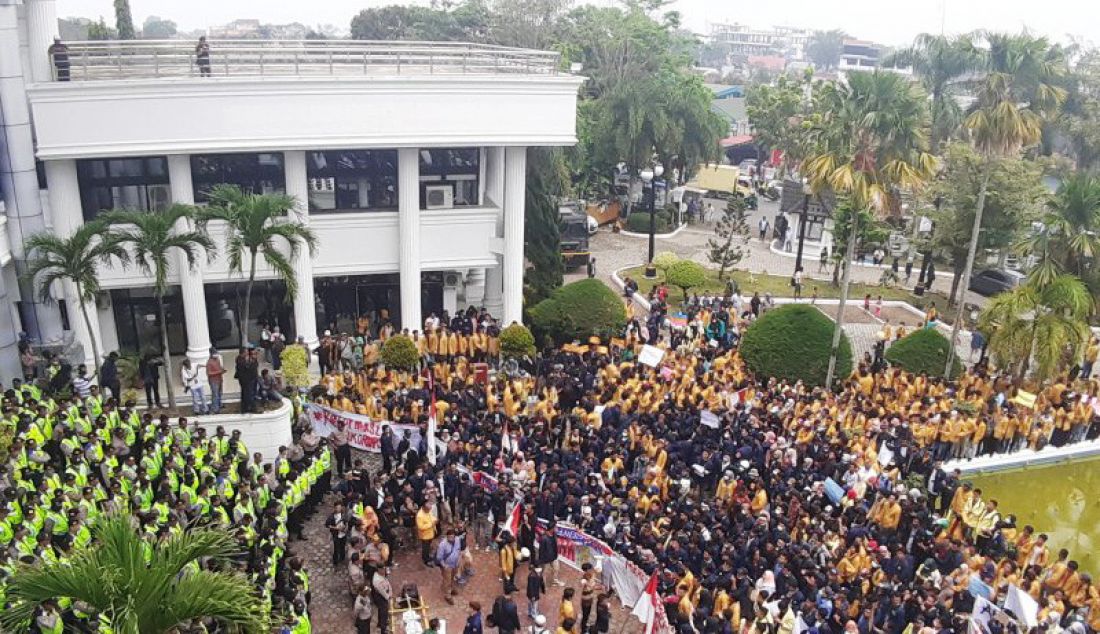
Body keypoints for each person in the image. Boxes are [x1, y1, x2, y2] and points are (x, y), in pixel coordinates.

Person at [436, 528, 462, 604]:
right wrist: (444, 566)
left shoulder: (457, 540)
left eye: (452, 537)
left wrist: (458, 560)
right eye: (449, 537)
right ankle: (448, 595)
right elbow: (439, 557)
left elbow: (459, 550)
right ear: (447, 536)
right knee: (447, 580)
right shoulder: (442, 545)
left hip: (455, 564)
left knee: (453, 578)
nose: (451, 538)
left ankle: (452, 588)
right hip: (447, 566)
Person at [235, 347, 259, 414]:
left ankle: (245, 408)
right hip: (246, 380)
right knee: (248, 394)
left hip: (250, 379)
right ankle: (251, 408)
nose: (247, 353)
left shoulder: (246, 359)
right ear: (243, 353)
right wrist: (251, 361)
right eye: (246, 352)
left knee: (247, 394)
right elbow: (247, 368)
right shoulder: (240, 360)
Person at [326, 501, 349, 566]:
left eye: (340, 507)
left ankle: (342, 558)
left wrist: (346, 527)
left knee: (342, 547)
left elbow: (346, 521)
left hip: (343, 534)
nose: (339, 509)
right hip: (336, 535)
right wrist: (336, 528)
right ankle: (335, 561)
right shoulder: (331, 516)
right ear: (335, 508)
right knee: (336, 549)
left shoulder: (343, 514)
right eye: (337, 508)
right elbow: (327, 525)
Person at [206, 347, 225, 414]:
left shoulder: (217, 360)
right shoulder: (209, 362)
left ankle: (219, 405)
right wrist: (218, 372)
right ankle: (215, 409)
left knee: (219, 394)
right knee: (215, 395)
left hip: (219, 379)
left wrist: (222, 370)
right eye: (215, 353)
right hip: (213, 381)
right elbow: (209, 373)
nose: (216, 355)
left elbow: (220, 367)